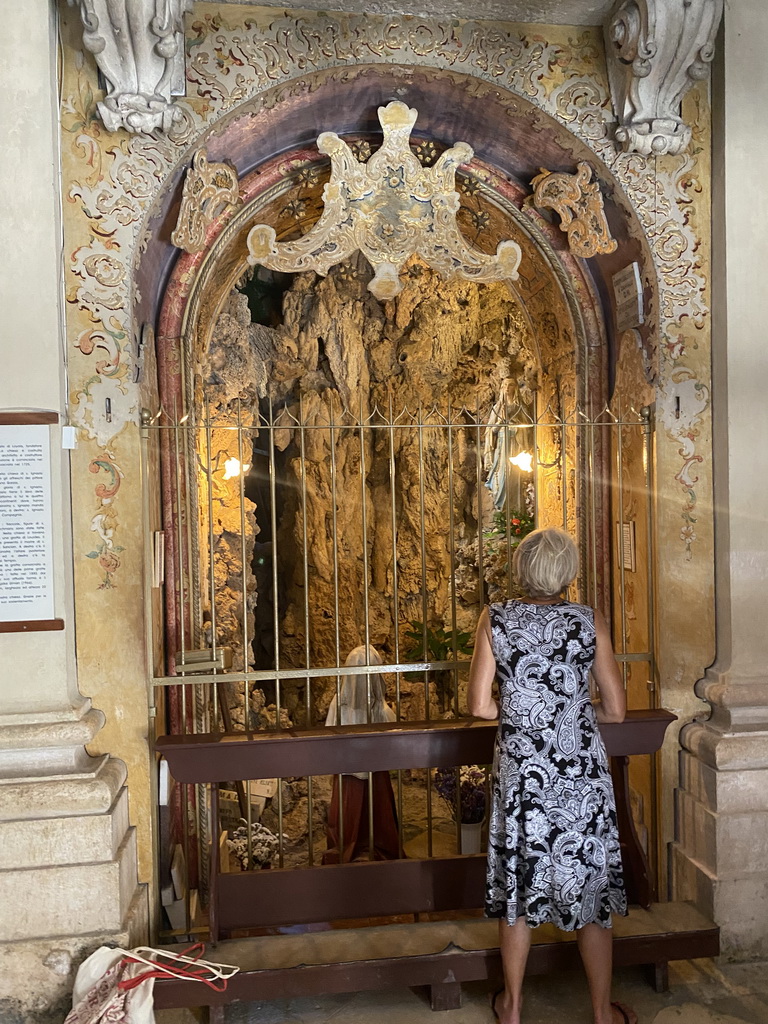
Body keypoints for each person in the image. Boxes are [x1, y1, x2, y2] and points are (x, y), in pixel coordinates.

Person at [467, 527, 636, 1024]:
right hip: (581, 773)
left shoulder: (495, 618)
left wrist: (524, 710)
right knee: (591, 889)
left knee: (518, 889)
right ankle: (603, 1013)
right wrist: (574, 712)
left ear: (521, 570)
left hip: (524, 777)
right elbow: (618, 710)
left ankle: (513, 1007)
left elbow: (478, 706)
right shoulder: (589, 620)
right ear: (568, 573)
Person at [323, 644, 401, 864]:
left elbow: (329, 738)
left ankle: (348, 847)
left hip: (348, 773)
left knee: (347, 814)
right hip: (372, 772)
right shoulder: (378, 708)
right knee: (378, 814)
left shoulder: (340, 704)